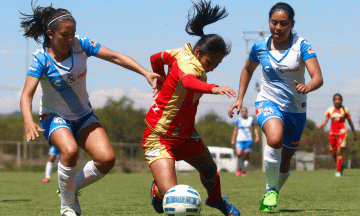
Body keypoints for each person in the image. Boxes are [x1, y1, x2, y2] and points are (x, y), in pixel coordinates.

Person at [19, 2, 162, 216]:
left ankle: (69, 189)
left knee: (107, 159)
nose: (70, 39)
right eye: (65, 35)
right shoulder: (41, 58)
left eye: (73, 34)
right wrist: (29, 121)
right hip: (54, 117)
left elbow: (115, 56)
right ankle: (68, 206)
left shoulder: (81, 44)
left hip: (84, 116)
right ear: (50, 33)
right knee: (70, 151)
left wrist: (144, 72)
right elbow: (26, 94)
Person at [142, 1, 240, 215]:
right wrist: (212, 88)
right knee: (171, 194)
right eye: (209, 62)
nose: (211, 68)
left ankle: (215, 201)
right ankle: (157, 190)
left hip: (185, 134)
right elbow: (188, 82)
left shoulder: (179, 53)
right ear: (197, 52)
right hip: (159, 135)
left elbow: (155, 58)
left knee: (210, 169)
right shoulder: (189, 66)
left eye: (216, 65)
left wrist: (161, 79)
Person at [228, 2, 323, 211]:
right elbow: (247, 70)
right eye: (274, 23)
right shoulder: (260, 46)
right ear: (269, 22)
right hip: (268, 101)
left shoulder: (302, 45)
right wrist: (240, 98)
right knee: (274, 139)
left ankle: (273, 190)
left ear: (291, 25)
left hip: (296, 109)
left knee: (285, 160)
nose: (278, 28)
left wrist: (308, 86)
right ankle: (271, 188)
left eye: (283, 24)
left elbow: (318, 78)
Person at [317, 93, 357, 177]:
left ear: (341, 100)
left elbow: (350, 122)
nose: (337, 101)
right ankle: (341, 166)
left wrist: (354, 133)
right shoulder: (330, 110)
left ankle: (338, 171)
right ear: (333, 101)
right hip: (332, 133)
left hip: (342, 132)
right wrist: (320, 126)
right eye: (336, 99)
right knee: (333, 154)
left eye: (339, 99)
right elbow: (326, 120)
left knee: (339, 151)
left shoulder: (345, 110)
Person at [230, 107, 259, 177]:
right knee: (239, 154)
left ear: (247, 112)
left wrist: (257, 136)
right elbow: (235, 130)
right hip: (239, 140)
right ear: (241, 112)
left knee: (246, 155)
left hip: (248, 140)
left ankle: (244, 171)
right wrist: (233, 139)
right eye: (242, 111)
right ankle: (239, 168)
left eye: (245, 111)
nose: (244, 112)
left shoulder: (251, 119)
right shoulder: (238, 120)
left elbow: (255, 128)